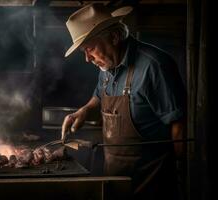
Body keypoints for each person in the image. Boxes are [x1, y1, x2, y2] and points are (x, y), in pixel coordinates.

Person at [61, 3, 186, 200]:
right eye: (83, 52)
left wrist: (178, 175)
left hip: (152, 185)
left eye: (90, 48)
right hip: (115, 182)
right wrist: (83, 111)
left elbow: (179, 126)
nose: (87, 58)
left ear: (114, 37)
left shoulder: (154, 67)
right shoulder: (106, 67)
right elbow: (100, 96)